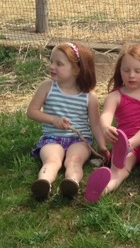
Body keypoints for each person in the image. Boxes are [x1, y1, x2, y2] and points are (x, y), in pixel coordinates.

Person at [84, 44, 140, 202]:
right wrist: (106, 127)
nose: (131, 75)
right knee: (120, 170)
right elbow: (106, 115)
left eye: (138, 71)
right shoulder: (115, 96)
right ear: (119, 70)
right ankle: (102, 190)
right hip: (126, 145)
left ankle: (129, 145)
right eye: (126, 70)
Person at [27, 42, 105, 200]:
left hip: (79, 140)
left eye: (59, 64)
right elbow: (31, 112)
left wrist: (102, 146)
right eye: (51, 62)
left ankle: (71, 183)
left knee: (74, 160)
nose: (52, 66)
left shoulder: (89, 96)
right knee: (51, 160)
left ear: (76, 69)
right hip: (52, 139)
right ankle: (44, 183)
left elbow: (95, 124)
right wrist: (53, 119)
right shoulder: (47, 87)